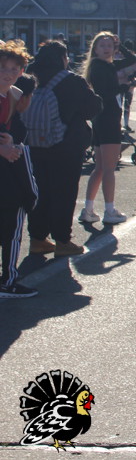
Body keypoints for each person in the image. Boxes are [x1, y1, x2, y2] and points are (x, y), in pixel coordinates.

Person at [24, 41, 101, 257]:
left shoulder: (29, 78)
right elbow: (92, 108)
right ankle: (62, 241)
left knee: (40, 192)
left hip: (33, 144)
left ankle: (37, 239)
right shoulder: (71, 81)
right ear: (62, 58)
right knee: (64, 193)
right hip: (65, 145)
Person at [80, 32, 136, 225]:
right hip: (108, 118)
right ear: (95, 49)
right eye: (102, 45)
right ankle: (109, 210)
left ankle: (88, 209)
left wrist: (120, 46)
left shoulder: (104, 65)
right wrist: (124, 87)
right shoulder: (100, 67)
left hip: (101, 118)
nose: (106, 48)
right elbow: (105, 92)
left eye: (110, 46)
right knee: (109, 168)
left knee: (100, 167)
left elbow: (132, 60)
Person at [0, 39, 39, 298]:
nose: (9, 73)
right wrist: (4, 149)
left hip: (7, 169)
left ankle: (8, 277)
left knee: (12, 222)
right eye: (3, 67)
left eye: (14, 69)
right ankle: (8, 280)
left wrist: (11, 145)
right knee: (12, 222)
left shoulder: (12, 95)